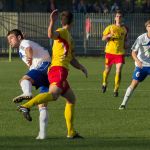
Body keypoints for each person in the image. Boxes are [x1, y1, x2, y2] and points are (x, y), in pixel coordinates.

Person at [17, 10, 88, 139]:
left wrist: (82, 68)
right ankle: (26, 106)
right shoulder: (62, 31)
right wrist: (52, 22)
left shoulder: (69, 37)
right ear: (74, 22)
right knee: (53, 95)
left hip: (61, 70)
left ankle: (71, 132)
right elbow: (50, 35)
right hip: (58, 69)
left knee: (71, 99)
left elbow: (71, 58)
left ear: (63, 21)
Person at [7, 29, 51, 140]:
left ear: (19, 38)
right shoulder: (23, 42)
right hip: (47, 70)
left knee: (24, 80)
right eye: (8, 39)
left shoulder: (23, 43)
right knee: (42, 105)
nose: (9, 41)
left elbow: (28, 49)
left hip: (42, 66)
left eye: (11, 38)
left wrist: (30, 57)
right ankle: (42, 134)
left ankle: (27, 93)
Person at [119, 20, 150, 110]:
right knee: (134, 83)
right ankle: (123, 104)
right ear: (146, 28)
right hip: (142, 65)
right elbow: (133, 52)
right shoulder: (141, 38)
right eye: (149, 26)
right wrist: (138, 61)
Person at [101, 10, 128, 97]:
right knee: (107, 70)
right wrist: (108, 36)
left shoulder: (124, 29)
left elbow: (125, 40)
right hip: (110, 52)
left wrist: (126, 44)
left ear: (122, 18)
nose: (118, 18)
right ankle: (104, 83)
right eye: (117, 16)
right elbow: (103, 38)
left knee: (119, 70)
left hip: (120, 53)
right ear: (115, 18)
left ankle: (116, 89)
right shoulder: (110, 27)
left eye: (120, 16)